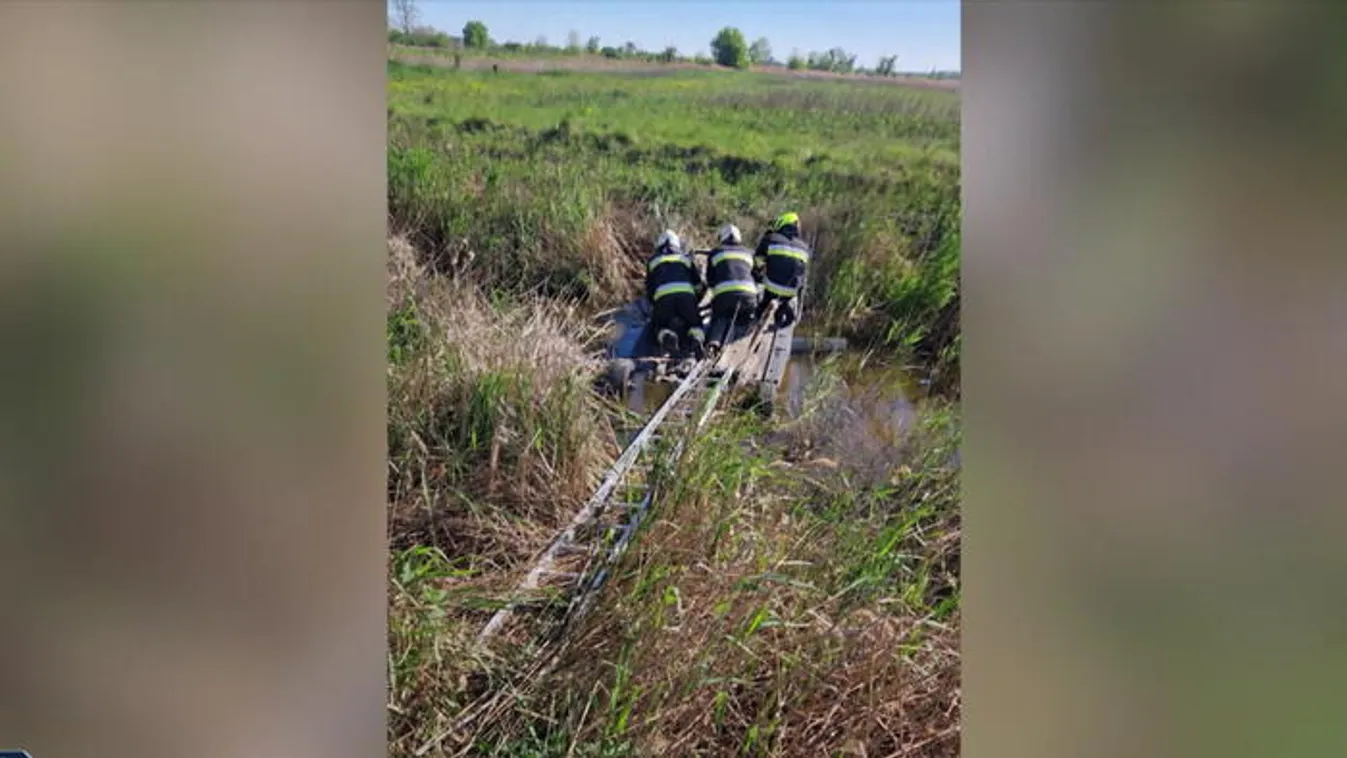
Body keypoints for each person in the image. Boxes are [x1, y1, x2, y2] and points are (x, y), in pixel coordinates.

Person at [644, 230, 706, 360]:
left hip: (663, 299)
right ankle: (696, 339)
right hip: (686, 298)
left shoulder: (653, 261)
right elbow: (698, 285)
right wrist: (696, 302)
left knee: (658, 326)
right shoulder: (685, 259)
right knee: (695, 324)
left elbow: (649, 290)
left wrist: (656, 306)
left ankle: (667, 337)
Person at [703, 223, 759, 356]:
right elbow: (757, 276)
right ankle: (740, 348)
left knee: (720, 317)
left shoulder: (716, 252)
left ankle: (714, 341)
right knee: (744, 320)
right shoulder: (749, 253)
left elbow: (710, 280)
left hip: (724, 298)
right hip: (749, 298)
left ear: (722, 237)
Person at [753, 211, 811, 327]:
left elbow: (758, 262)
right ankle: (781, 317)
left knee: (762, 296)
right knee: (782, 306)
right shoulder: (805, 247)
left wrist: (758, 276)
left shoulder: (771, 238)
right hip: (791, 292)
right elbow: (802, 273)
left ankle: (758, 317)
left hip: (771, 288)